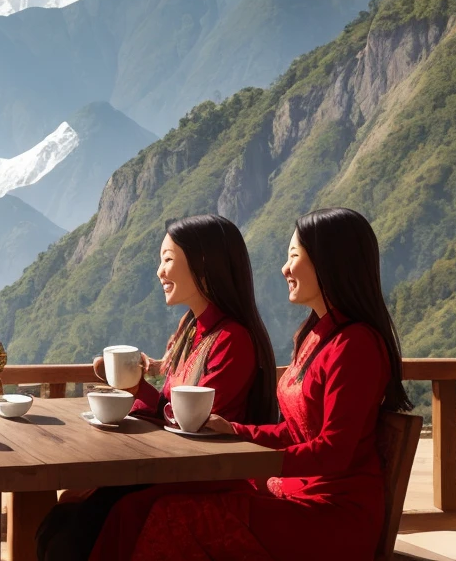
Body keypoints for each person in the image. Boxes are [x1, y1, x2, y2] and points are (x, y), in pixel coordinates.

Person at [87, 207, 412, 561]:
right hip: (292, 493)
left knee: (171, 516)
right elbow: (294, 431)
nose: (285, 269)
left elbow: (334, 451)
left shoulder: (356, 345)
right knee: (140, 508)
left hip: (331, 514)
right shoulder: (316, 334)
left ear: (329, 262)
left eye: (294, 257)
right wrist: (236, 430)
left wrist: (259, 461)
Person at [37, 213, 276, 561]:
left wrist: (138, 389)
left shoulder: (232, 339)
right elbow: (167, 408)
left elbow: (192, 424)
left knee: (78, 527)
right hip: (171, 466)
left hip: (201, 475)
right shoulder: (191, 328)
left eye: (167, 259)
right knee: (65, 516)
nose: (160, 272)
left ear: (202, 262)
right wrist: (133, 384)